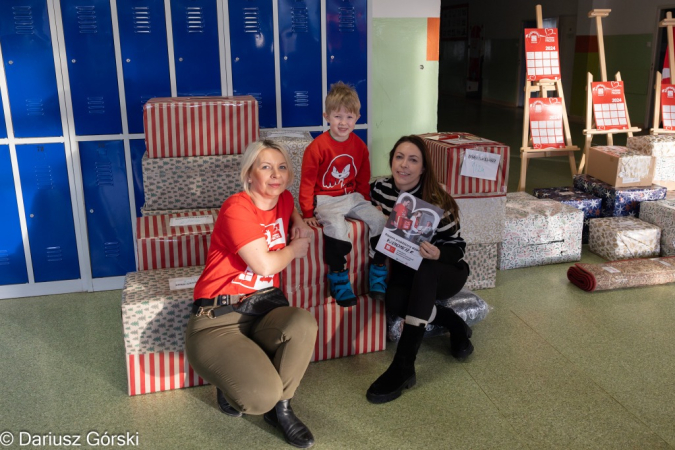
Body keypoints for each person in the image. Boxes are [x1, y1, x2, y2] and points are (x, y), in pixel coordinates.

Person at [185, 140, 318, 448]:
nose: (276, 175)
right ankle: (232, 380)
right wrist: (295, 248)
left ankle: (282, 410)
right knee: (259, 398)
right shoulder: (237, 208)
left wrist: (299, 223)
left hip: (260, 311)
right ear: (248, 175)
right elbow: (263, 265)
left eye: (282, 167)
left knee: (302, 323)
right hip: (217, 321)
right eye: (266, 167)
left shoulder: (282, 200)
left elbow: (290, 207)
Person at [367, 135, 473, 404]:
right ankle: (452, 321)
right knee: (395, 300)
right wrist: (371, 212)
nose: (404, 165)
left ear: (423, 168)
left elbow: (458, 247)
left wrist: (438, 252)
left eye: (413, 160)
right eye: (399, 157)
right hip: (407, 271)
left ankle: (403, 365)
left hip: (446, 271)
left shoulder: (438, 199)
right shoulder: (379, 189)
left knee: (427, 268)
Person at [299, 81, 387, 306]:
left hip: (352, 197)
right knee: (337, 227)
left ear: (357, 117)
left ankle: (378, 269)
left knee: (380, 220)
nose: (343, 122)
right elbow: (307, 182)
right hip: (327, 199)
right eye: (337, 116)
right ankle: (338, 277)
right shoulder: (316, 147)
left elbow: (362, 179)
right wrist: (307, 211)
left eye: (349, 117)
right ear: (326, 116)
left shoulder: (359, 146)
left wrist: (366, 204)